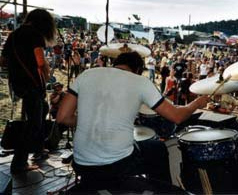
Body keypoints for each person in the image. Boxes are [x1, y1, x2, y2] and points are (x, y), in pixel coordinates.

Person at [56, 52, 209, 192]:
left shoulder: (86, 74)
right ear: (137, 70)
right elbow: (176, 116)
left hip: (81, 163)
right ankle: (157, 190)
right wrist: (196, 103)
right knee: (157, 147)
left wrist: (88, 121)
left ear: (115, 64)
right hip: (117, 165)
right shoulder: (139, 82)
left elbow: (62, 117)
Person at [0, 9, 56, 174]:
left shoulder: (14, 34)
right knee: (33, 123)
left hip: (18, 82)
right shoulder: (35, 35)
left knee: (43, 110)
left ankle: (38, 148)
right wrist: (45, 76)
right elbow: (40, 61)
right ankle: (19, 163)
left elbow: (3, 60)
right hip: (32, 83)